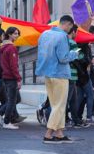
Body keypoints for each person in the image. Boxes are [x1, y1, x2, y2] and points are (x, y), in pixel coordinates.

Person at [36, 15, 78, 144]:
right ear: (68, 24)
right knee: (59, 106)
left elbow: (42, 54)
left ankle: (59, 134)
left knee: (56, 105)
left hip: (48, 73)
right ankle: (48, 135)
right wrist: (75, 54)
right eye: (71, 27)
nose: (70, 30)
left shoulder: (44, 34)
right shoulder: (62, 36)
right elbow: (63, 58)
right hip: (60, 74)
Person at [0, 27, 22, 129]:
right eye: (15, 34)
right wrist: (18, 79)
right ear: (9, 34)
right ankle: (6, 121)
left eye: (17, 34)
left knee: (13, 99)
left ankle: (0, 113)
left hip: (6, 76)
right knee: (12, 100)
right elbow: (13, 66)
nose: (16, 36)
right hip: (11, 77)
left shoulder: (4, 47)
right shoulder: (11, 48)